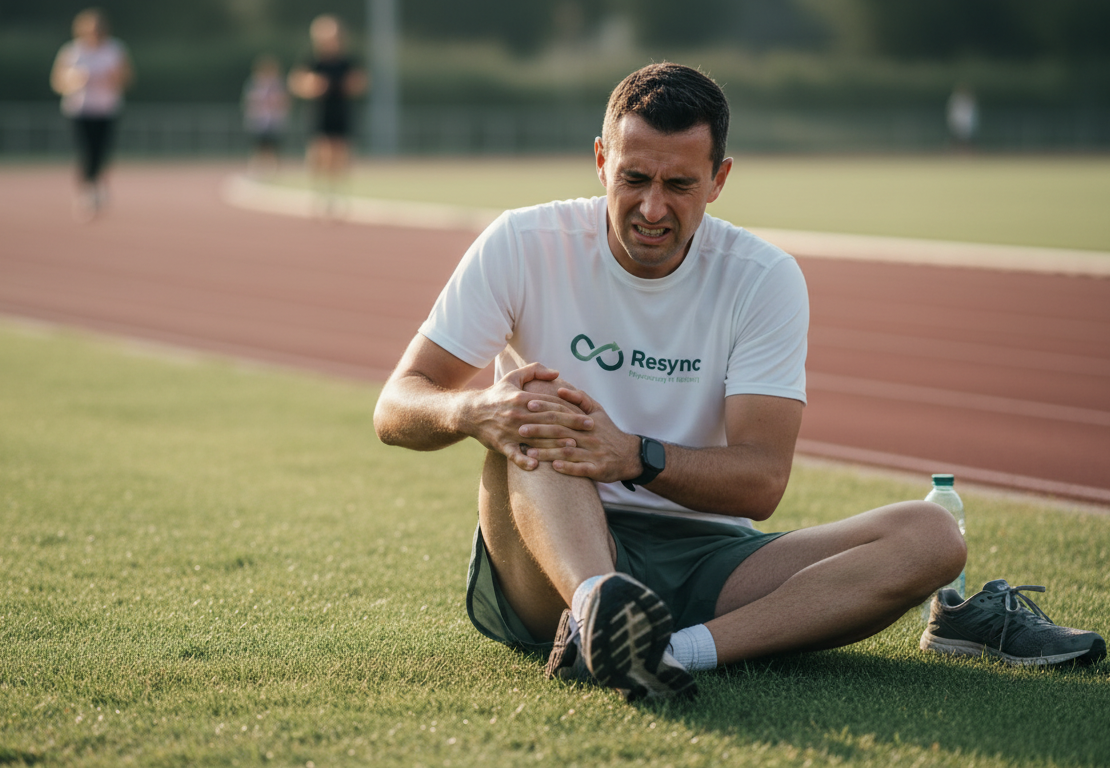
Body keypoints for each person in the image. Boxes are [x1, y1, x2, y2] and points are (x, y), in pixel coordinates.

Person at [372, 62, 974, 702]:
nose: (652, 208)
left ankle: (665, 651)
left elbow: (762, 481)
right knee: (535, 405)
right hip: (560, 545)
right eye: (633, 178)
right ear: (601, 161)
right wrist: (474, 411)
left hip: (711, 559)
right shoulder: (522, 241)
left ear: (719, 180)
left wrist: (631, 454)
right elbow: (396, 403)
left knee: (931, 535)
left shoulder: (762, 278)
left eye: (679, 184)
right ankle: (594, 612)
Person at [50, 8, 134, 221]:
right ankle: (87, 192)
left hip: (106, 109)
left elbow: (127, 78)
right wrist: (74, 80)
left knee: (102, 150)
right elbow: (57, 81)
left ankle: (97, 185)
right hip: (80, 109)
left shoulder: (115, 49)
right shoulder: (72, 52)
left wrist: (113, 79)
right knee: (86, 150)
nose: (94, 33)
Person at [288, 15, 367, 209]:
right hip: (319, 111)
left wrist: (351, 85)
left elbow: (360, 82)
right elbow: (296, 82)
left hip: (340, 111)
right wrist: (311, 85)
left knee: (340, 152)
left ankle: (337, 193)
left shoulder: (347, 61)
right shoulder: (312, 60)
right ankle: (318, 193)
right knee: (319, 152)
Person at [242, 55, 291, 178]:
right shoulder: (255, 84)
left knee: (274, 150)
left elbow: (284, 102)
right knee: (259, 149)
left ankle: (275, 174)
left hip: (274, 122)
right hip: (260, 122)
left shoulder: (278, 85)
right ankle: (256, 173)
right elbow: (250, 102)